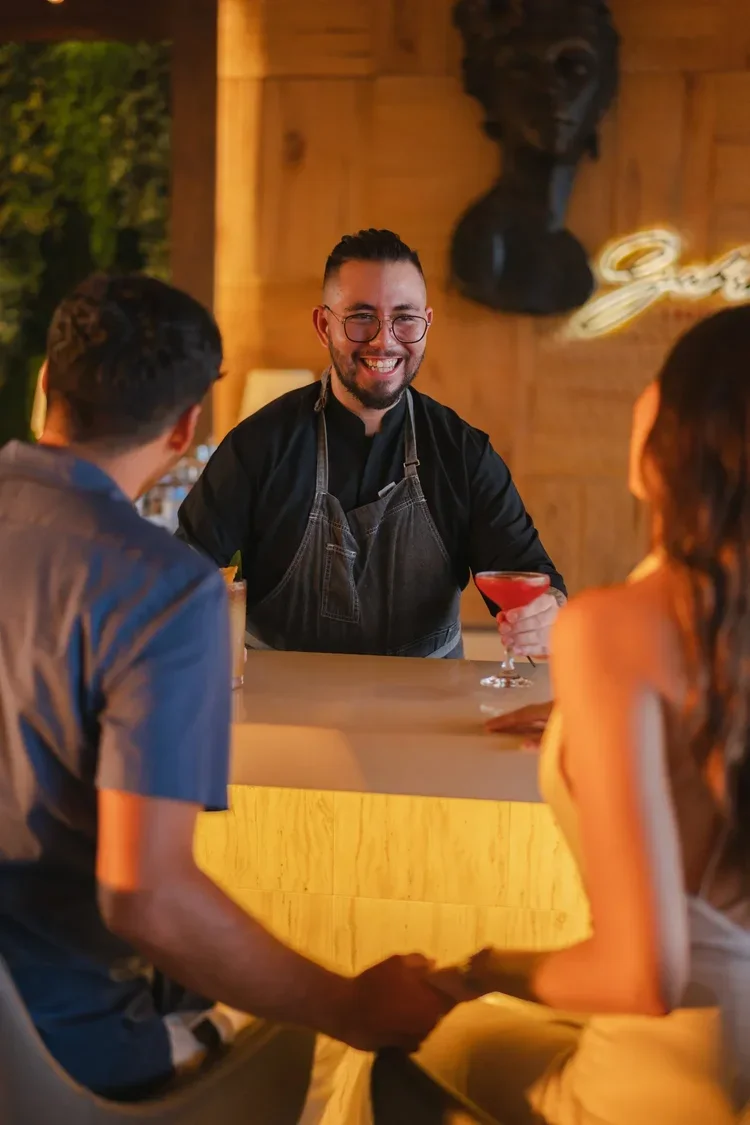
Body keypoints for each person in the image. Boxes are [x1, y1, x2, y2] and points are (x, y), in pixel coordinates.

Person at [0, 274, 452, 1112]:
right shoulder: (160, 589)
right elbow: (146, 895)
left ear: (42, 390)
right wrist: (353, 1004)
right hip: (61, 1052)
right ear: (184, 428)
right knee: (324, 1067)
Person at [393, 305, 750, 1124]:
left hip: (669, 1088)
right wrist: (602, 718)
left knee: (396, 1050)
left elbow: (641, 975)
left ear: (685, 433)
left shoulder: (618, 626)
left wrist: (478, 967)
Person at [176, 229, 566, 659]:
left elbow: (529, 575)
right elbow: (183, 572)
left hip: (425, 713)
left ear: (426, 324)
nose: (384, 339)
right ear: (324, 326)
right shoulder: (258, 446)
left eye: (405, 317)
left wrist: (547, 617)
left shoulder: (463, 454)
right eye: (361, 317)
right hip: (283, 714)